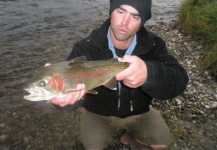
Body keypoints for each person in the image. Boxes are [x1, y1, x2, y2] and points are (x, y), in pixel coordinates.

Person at [50, 0, 189, 149]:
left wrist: (149, 74)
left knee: (161, 144)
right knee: (91, 146)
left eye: (135, 16)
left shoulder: (154, 45)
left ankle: (130, 136)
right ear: (111, 11)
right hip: (98, 113)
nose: (125, 22)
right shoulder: (86, 47)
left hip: (139, 113)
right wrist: (63, 101)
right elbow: (73, 95)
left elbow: (179, 80)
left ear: (142, 21)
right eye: (121, 12)